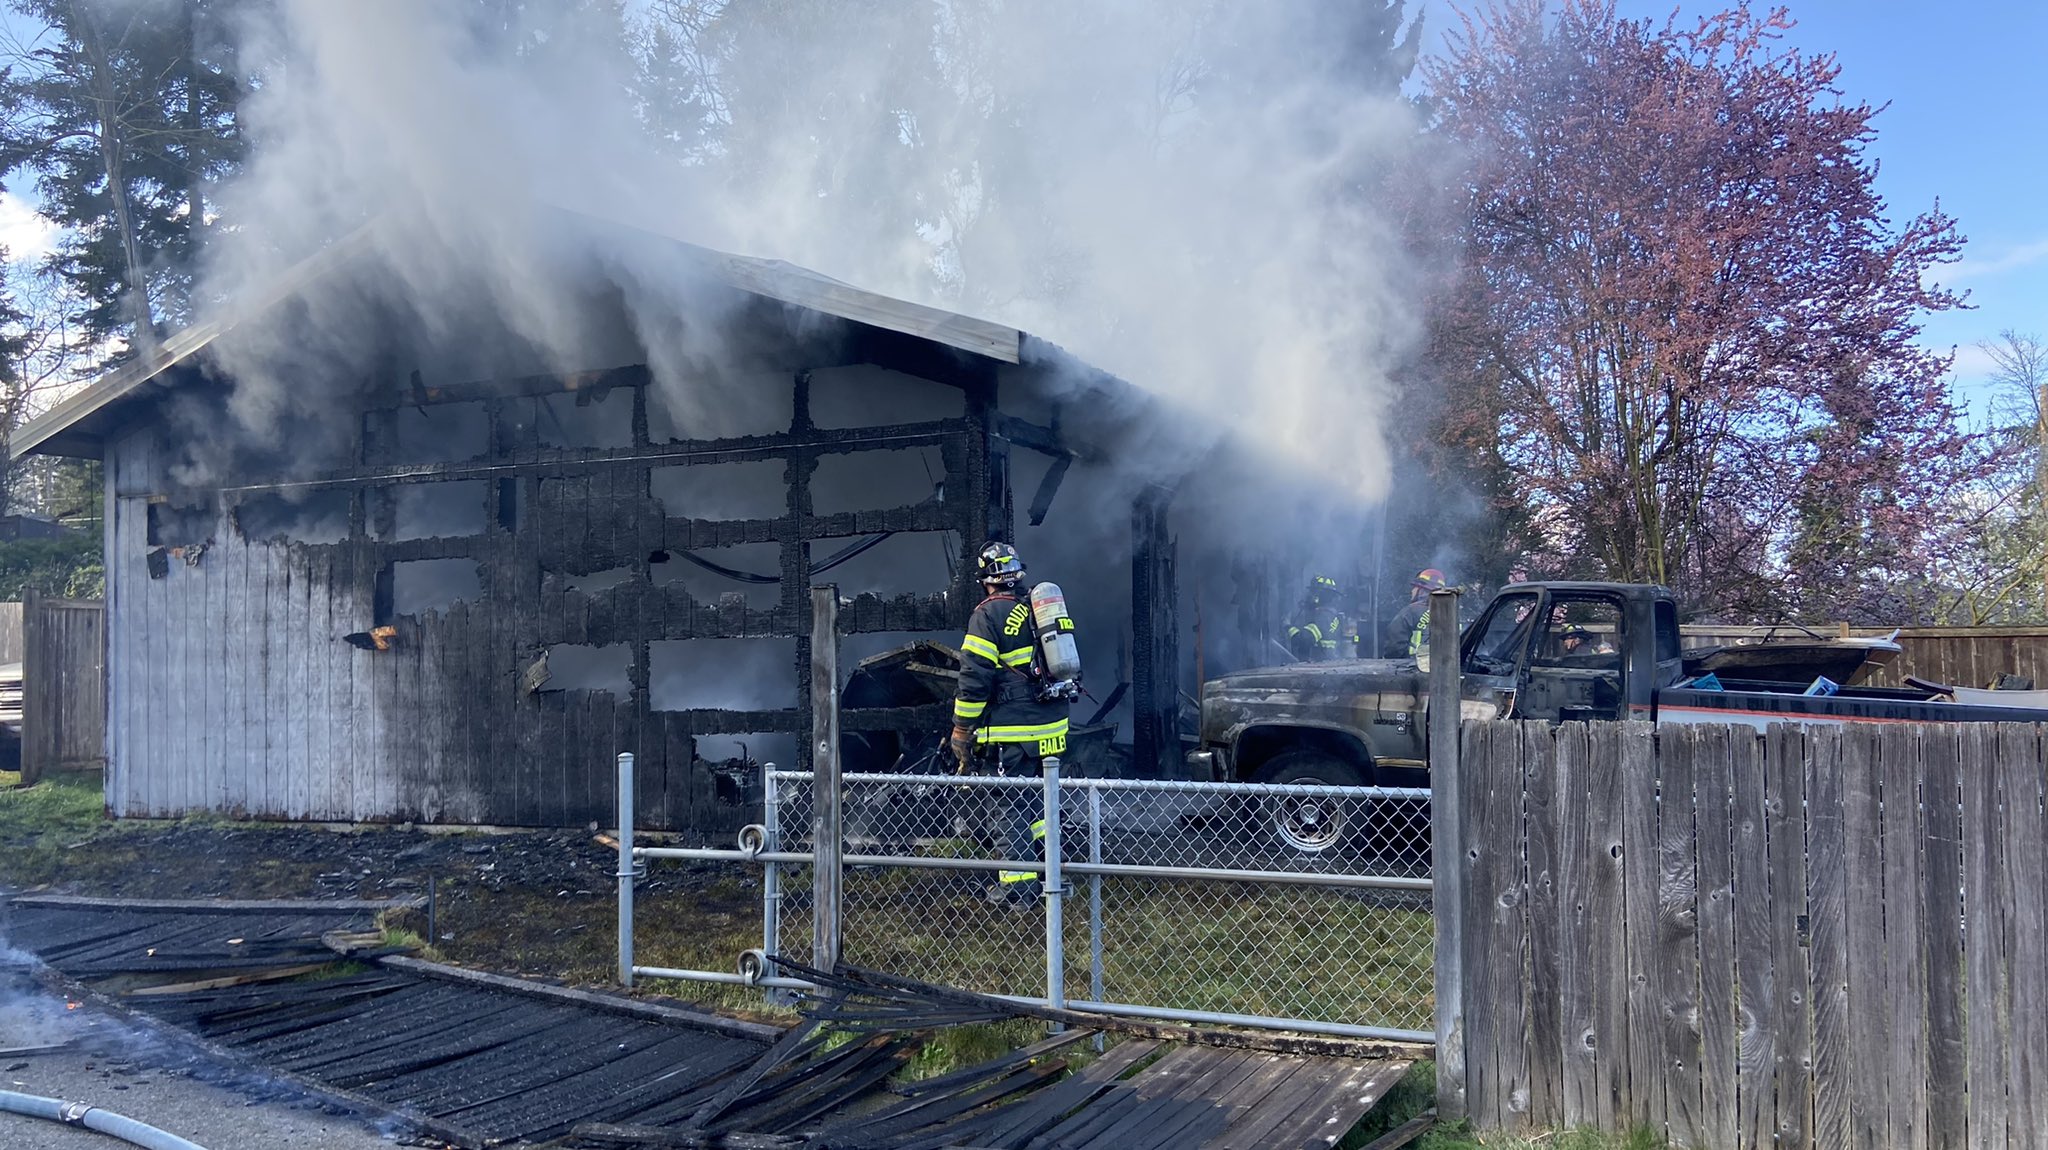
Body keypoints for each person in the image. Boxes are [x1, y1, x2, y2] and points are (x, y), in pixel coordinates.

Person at [950, 541, 1073, 906]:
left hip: (1014, 731)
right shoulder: (1034, 609)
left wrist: (961, 728)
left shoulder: (987, 615)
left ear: (986, 579)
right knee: (1040, 806)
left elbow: (973, 678)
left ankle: (1018, 890)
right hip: (1052, 728)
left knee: (1009, 810)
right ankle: (1053, 879)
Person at [1383, 569, 1450, 659]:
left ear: (1421, 590)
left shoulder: (1410, 612)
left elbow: (1394, 647)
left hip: (1412, 668)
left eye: (1414, 587)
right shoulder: (1450, 613)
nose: (1412, 591)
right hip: (1446, 667)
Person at [1284, 574, 1347, 661]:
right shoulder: (1331, 615)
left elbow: (1303, 640)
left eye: (1313, 592)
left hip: (1318, 665)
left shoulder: (1322, 617)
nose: (1309, 596)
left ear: (1320, 596)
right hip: (1328, 663)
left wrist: (1287, 626)